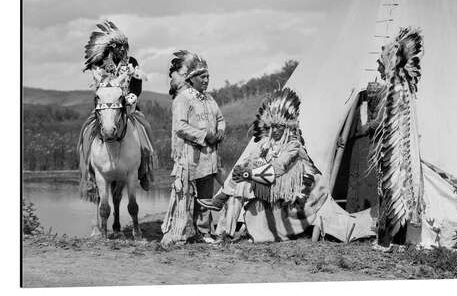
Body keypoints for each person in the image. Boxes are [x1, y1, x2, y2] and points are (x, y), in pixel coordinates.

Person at [198, 87, 321, 241]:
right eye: (271, 127)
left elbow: (278, 168)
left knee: (243, 180)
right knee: (243, 175)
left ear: (288, 127)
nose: (275, 131)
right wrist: (246, 170)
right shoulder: (266, 143)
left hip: (293, 192)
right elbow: (249, 160)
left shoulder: (293, 145)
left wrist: (249, 173)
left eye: (279, 127)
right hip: (270, 184)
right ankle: (224, 233)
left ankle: (221, 202)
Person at [78, 20, 157, 202]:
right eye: (118, 46)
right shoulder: (99, 64)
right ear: (110, 47)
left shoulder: (132, 62)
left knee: (146, 128)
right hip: (104, 107)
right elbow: (96, 87)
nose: (122, 50)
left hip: (128, 106)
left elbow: (137, 84)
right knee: (85, 132)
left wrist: (133, 96)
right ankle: (89, 172)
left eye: (124, 46)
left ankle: (144, 169)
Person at [161, 53, 225, 246]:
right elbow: (179, 126)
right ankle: (183, 231)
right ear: (191, 79)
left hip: (210, 155)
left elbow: (220, 119)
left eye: (208, 77)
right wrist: (204, 135)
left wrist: (220, 131)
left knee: (206, 195)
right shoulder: (183, 99)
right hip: (191, 156)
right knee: (186, 195)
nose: (206, 80)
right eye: (202, 77)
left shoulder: (210, 98)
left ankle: (204, 232)